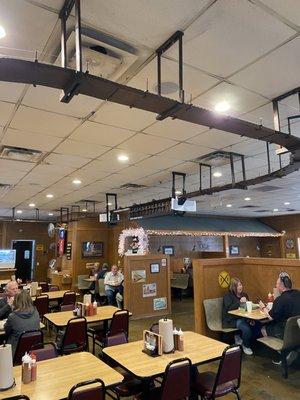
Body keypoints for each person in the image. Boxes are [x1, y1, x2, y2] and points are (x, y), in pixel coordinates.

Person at [259, 272, 300, 365]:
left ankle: (284, 354)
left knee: (263, 328)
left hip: (285, 333)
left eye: (277, 284)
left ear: (281, 286)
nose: (276, 286)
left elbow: (270, 317)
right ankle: (291, 351)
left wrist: (263, 307)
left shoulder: (280, 299)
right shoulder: (298, 294)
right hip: (298, 330)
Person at [222, 277, 254, 355]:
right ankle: (245, 345)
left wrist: (251, 318)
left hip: (243, 317)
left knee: (256, 324)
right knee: (246, 329)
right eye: (238, 285)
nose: (241, 287)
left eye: (241, 285)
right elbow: (228, 309)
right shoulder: (228, 296)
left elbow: (247, 308)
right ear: (233, 287)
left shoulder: (244, 295)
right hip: (231, 320)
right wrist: (239, 302)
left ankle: (240, 337)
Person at [4, 290, 40, 357]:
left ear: (16, 301)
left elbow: (7, 331)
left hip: (15, 351)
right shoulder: (36, 312)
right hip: (34, 349)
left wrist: (12, 309)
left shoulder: (12, 316)